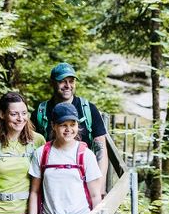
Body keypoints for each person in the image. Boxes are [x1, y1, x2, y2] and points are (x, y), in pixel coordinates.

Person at [32, 62, 110, 190]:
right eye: (62, 81)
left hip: (84, 179)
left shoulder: (89, 110)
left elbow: (101, 150)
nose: (68, 86)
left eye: (71, 81)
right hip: (50, 182)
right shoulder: (41, 112)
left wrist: (100, 187)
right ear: (53, 83)